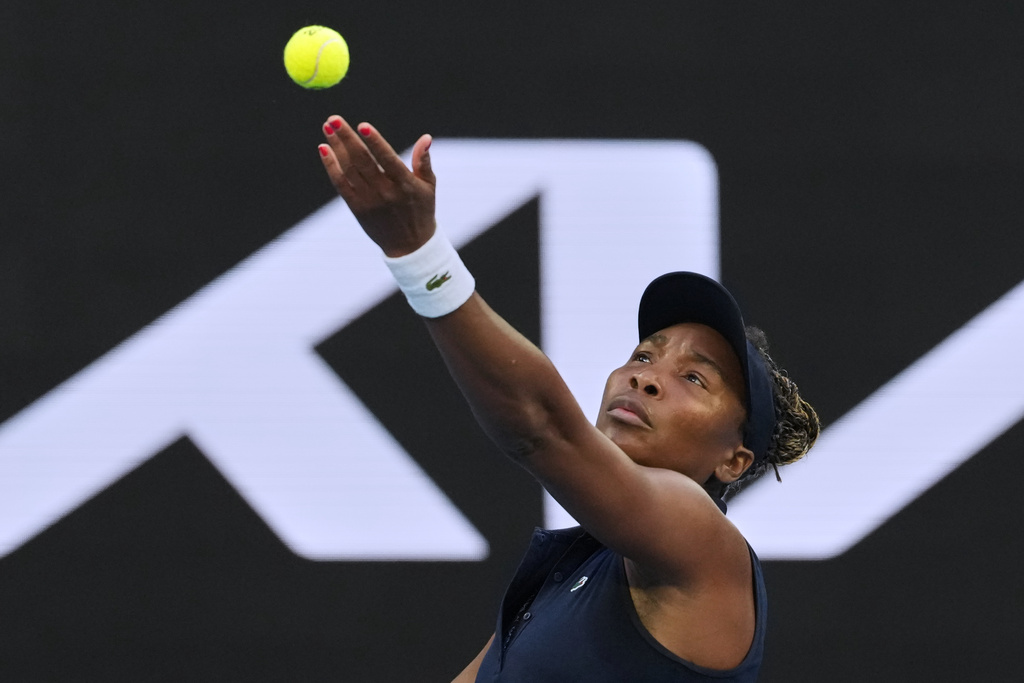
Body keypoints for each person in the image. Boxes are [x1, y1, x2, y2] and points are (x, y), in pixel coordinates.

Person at [316, 116, 820, 682]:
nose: (645, 378)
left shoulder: (704, 543)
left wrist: (419, 255)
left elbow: (541, 428)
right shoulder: (571, 569)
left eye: (695, 379)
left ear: (733, 460)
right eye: (644, 355)